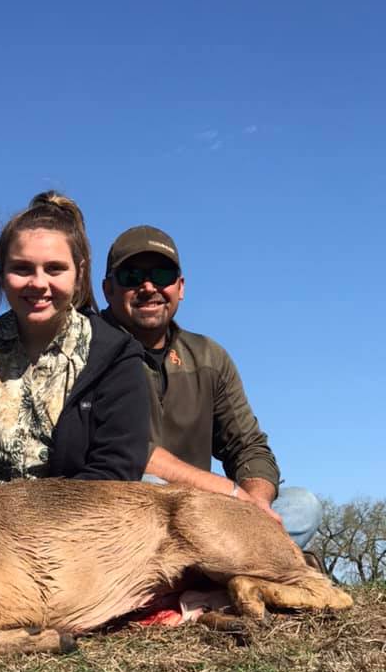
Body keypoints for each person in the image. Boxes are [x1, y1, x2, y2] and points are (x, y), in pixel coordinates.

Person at [0, 192, 151, 485]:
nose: (39, 283)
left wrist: (36, 515)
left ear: (79, 274)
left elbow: (116, 470)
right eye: (22, 269)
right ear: (2, 275)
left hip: (81, 514)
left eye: (55, 268)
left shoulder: (116, 356)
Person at [101, 224, 322, 551]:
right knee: (149, 493)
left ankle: (219, 564)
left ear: (180, 287)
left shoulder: (208, 356)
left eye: (162, 275)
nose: (148, 287)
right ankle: (240, 563)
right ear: (108, 289)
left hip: (207, 514)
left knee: (303, 506)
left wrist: (255, 504)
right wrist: (229, 494)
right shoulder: (91, 348)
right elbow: (132, 454)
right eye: (132, 276)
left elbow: (249, 447)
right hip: (126, 513)